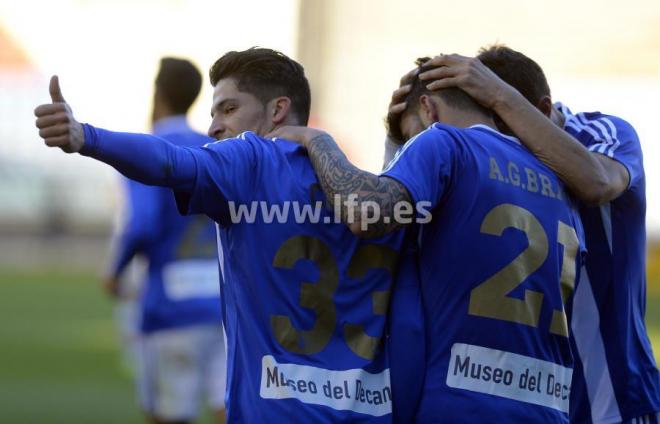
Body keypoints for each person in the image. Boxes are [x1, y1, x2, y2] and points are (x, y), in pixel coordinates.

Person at [34, 48, 405, 423]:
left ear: (277, 111)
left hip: (275, 409)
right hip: (366, 411)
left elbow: (171, 162)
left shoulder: (251, 161)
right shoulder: (371, 195)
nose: (212, 128)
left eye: (228, 110)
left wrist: (87, 137)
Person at [268, 56, 585, 423]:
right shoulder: (559, 181)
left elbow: (366, 214)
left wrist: (316, 139)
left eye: (408, 138)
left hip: (458, 405)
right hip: (547, 409)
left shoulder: (443, 142)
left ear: (428, 108)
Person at [410, 45, 660, 424]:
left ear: (541, 111)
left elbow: (597, 181)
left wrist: (499, 95)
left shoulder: (600, 132)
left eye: (507, 123)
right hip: (530, 396)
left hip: (614, 398)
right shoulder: (476, 157)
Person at [100, 58, 227, 424]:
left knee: (169, 413)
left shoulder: (149, 151)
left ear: (158, 94)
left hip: (170, 306)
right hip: (221, 304)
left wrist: (116, 270)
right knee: (229, 408)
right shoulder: (214, 149)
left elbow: (141, 224)